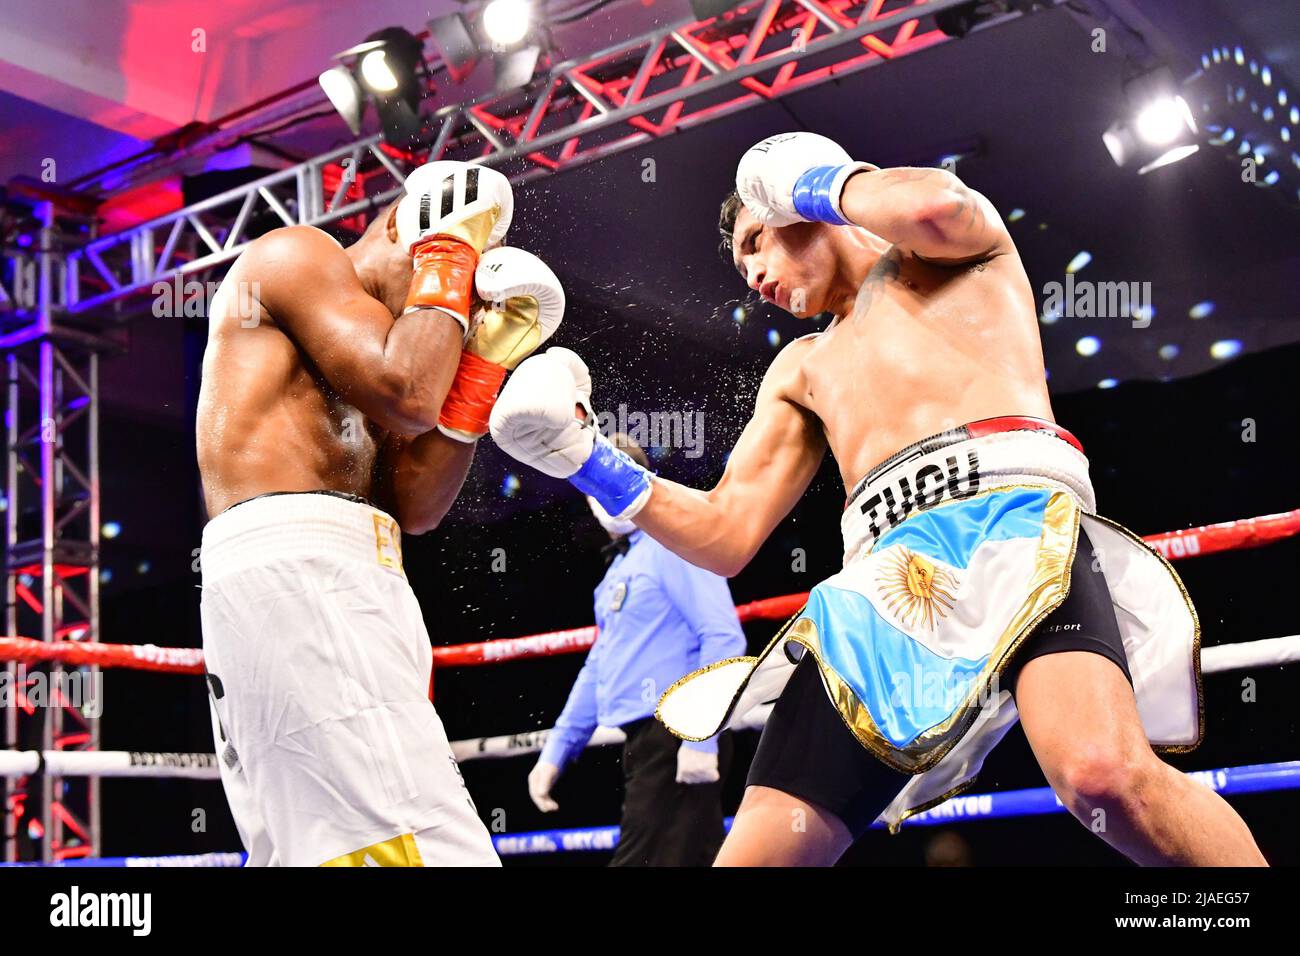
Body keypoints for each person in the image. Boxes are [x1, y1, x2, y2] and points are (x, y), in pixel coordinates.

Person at [487, 132, 1267, 866]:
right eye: (740, 266)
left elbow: (935, 207)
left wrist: (819, 182)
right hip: (887, 590)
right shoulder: (802, 367)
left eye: (756, 241)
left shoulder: (953, 257)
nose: (753, 276)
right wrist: (588, 462)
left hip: (1021, 529)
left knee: (1103, 778)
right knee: (764, 847)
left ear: (797, 202)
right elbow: (726, 532)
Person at [196, 160, 564, 866]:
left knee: (328, 847)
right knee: (421, 840)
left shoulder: (378, 351)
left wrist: (483, 364)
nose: (451, 304)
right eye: (447, 269)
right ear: (406, 226)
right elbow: (408, 393)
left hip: (343, 574)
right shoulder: (294, 254)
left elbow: (417, 508)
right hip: (304, 577)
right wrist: (449, 259)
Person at [527, 434, 745, 866]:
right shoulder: (615, 573)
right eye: (594, 487)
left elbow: (723, 637)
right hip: (645, 742)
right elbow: (598, 667)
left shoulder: (674, 545)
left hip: (676, 730)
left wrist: (701, 739)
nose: (602, 498)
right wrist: (555, 753)